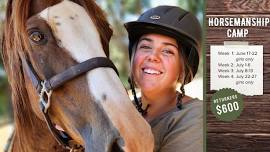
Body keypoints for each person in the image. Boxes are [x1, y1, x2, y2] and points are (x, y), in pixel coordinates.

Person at [124, 5, 203, 152]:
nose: (153, 56)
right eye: (146, 46)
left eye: (168, 51)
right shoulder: (122, 109)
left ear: (184, 67)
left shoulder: (195, 117)